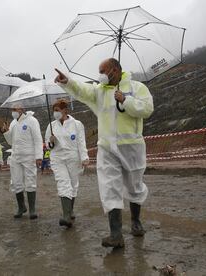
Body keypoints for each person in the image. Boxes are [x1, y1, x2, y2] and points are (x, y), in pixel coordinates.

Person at [55, 58, 154, 248]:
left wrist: (126, 100)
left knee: (135, 187)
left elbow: (147, 109)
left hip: (132, 147)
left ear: (115, 70)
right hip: (107, 148)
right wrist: (66, 81)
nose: (99, 73)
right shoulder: (100, 91)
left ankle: (135, 221)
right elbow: (82, 90)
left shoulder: (137, 87)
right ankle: (116, 234)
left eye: (103, 70)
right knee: (110, 187)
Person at [45, 99, 89, 228]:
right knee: (63, 183)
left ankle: (70, 211)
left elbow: (81, 142)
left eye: (57, 110)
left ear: (65, 110)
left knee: (73, 184)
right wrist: (51, 142)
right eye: (54, 111)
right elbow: (48, 146)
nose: (55, 113)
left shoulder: (77, 124)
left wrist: (84, 157)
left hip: (73, 157)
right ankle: (66, 216)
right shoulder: (51, 125)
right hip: (57, 158)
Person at [1, 105, 43, 219]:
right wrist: (5, 132)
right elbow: (11, 142)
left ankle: (32, 209)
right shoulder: (13, 123)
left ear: (22, 109)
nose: (13, 111)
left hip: (29, 156)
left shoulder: (32, 121)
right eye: (12, 109)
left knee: (30, 182)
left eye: (15, 109)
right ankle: (21, 207)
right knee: (16, 182)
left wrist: (39, 156)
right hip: (15, 156)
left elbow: (38, 139)